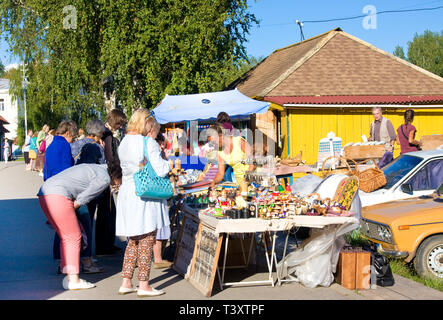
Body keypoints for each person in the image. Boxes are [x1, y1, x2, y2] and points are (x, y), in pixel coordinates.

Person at [37, 162, 122, 290]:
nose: (120, 184)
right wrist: (67, 210)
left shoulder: (97, 168)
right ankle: (74, 280)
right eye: (121, 181)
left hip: (45, 192)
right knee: (73, 237)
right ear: (117, 175)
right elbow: (83, 199)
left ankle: (67, 272)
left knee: (66, 237)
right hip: (58, 195)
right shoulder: (104, 178)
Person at [116, 109, 170, 297]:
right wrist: (170, 163)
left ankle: (126, 281)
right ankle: (144, 284)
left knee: (133, 240)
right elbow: (161, 169)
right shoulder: (148, 142)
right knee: (147, 239)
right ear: (147, 124)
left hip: (128, 192)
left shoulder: (124, 142)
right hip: (145, 195)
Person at [91, 109, 127, 256]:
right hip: (107, 174)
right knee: (108, 211)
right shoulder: (108, 134)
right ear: (116, 121)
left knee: (106, 212)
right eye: (120, 124)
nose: (120, 127)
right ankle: (104, 245)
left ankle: (105, 244)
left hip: (102, 173)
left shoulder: (104, 132)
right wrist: (115, 173)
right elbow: (109, 156)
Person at [209, 124, 253, 190]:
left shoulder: (239, 141)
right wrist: (214, 182)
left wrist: (245, 180)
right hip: (239, 183)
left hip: (252, 181)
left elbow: (252, 164)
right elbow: (221, 174)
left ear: (221, 136)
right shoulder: (219, 151)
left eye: (214, 142)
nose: (213, 145)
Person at [153, 130, 173, 269]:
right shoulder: (158, 155)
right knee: (159, 225)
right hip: (158, 192)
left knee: (156, 225)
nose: (162, 146)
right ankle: (158, 258)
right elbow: (163, 171)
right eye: (161, 144)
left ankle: (155, 257)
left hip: (154, 192)